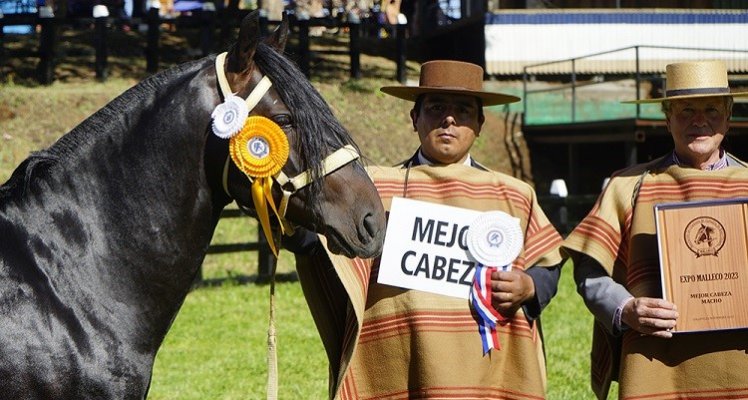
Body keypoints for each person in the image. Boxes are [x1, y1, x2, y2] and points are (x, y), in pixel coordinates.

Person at [290, 60, 565, 399]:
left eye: (463, 110)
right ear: (414, 119)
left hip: (487, 369)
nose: (449, 119)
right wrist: (286, 215)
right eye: (435, 108)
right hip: (397, 364)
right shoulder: (373, 188)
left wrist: (530, 285)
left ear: (479, 124)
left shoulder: (514, 194)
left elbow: (549, 264)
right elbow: (320, 243)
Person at [562, 60, 748, 400]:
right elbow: (590, 270)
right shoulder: (628, 186)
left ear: (729, 113)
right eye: (686, 110)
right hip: (654, 364)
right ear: (667, 116)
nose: (699, 120)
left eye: (710, 109)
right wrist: (624, 309)